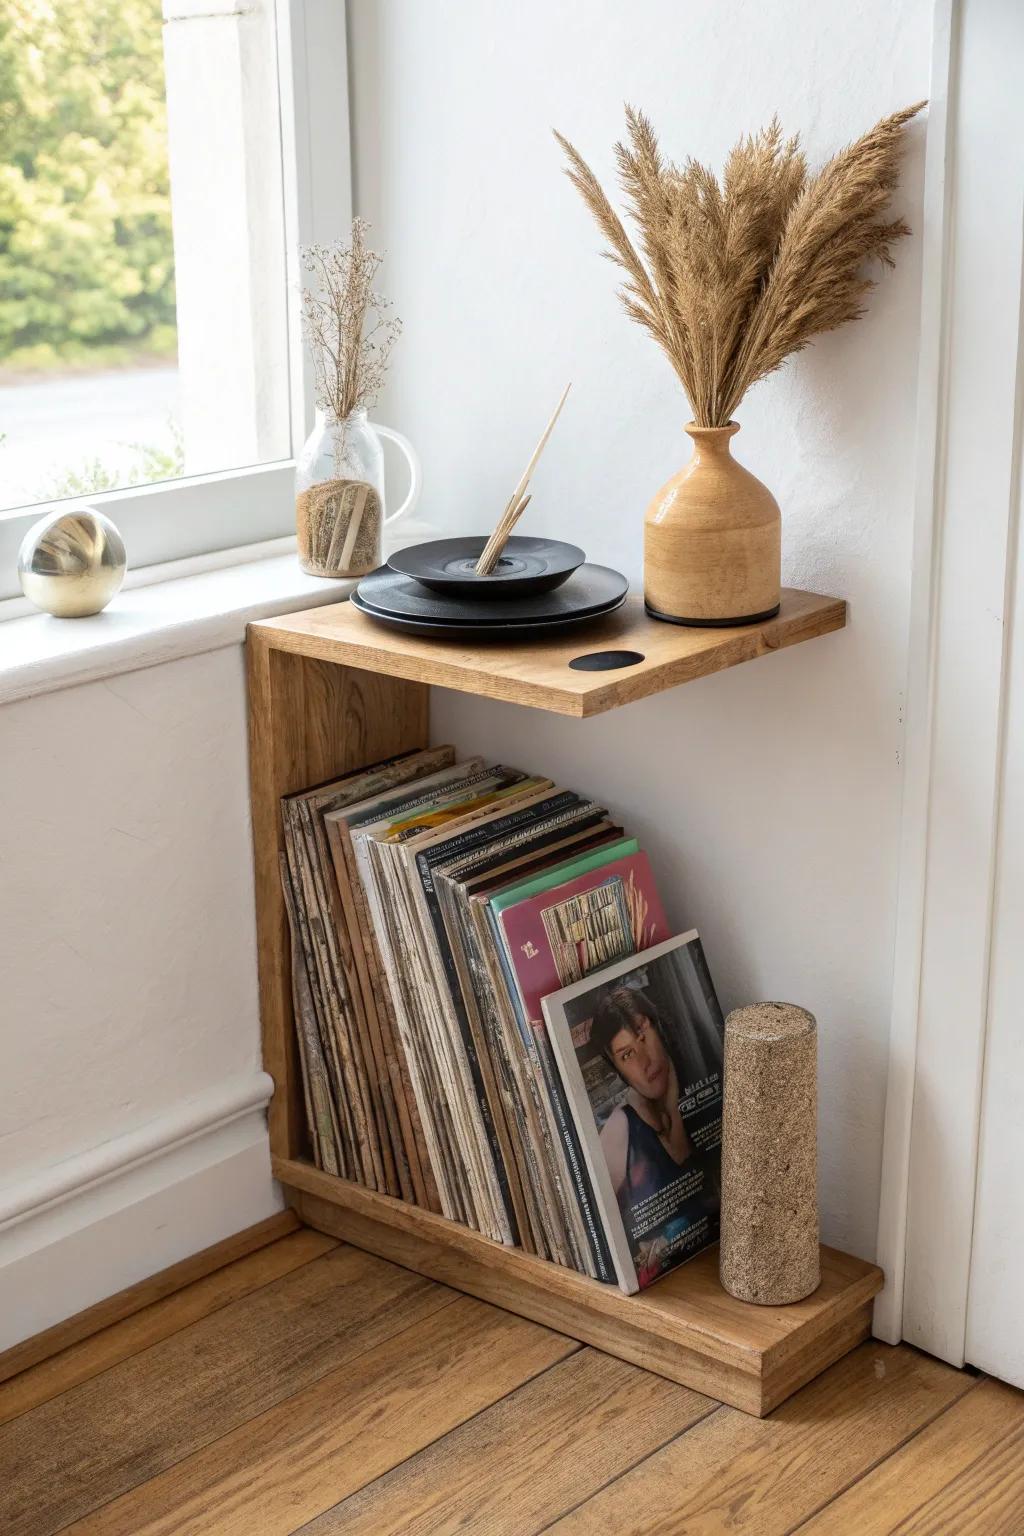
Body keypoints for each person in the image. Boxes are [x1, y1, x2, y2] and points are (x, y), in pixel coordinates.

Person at [591, 983, 702, 1281]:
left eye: (643, 1036)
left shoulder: (701, 1082)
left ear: (658, 1028)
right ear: (618, 1070)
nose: (644, 1061)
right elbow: (597, 1235)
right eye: (627, 1055)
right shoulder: (619, 1129)